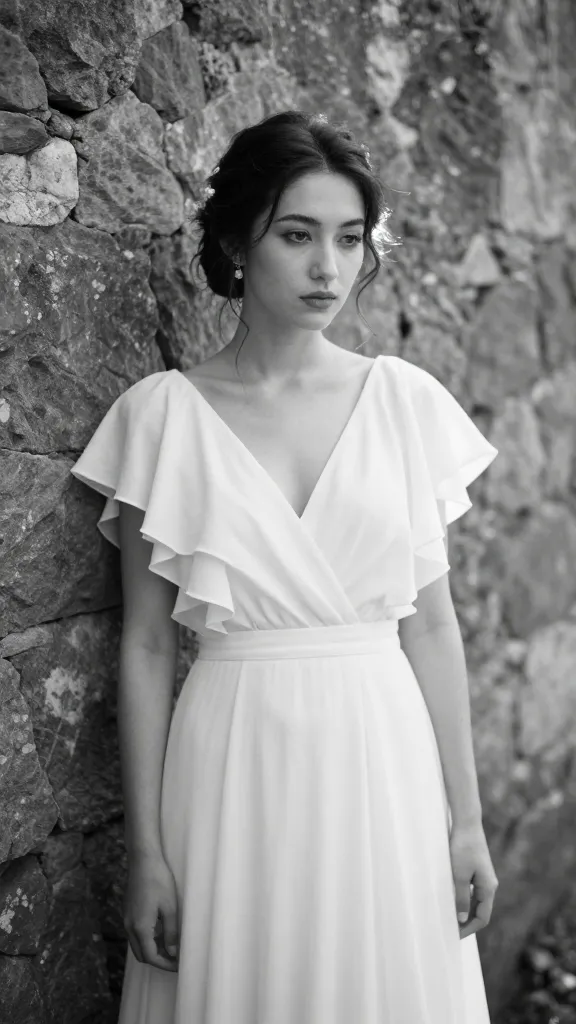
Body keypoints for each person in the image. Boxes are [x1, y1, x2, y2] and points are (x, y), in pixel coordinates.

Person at [70, 109, 500, 1024]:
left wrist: (465, 821)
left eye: (349, 240)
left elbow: (431, 625)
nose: (327, 269)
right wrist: (146, 850)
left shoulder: (405, 403)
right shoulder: (163, 418)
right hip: (234, 759)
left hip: (384, 756)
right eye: (296, 235)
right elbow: (147, 647)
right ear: (235, 241)